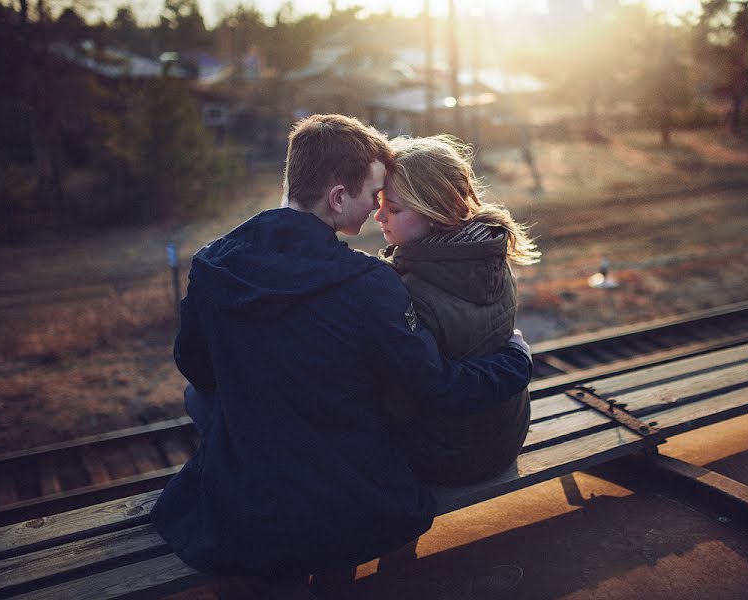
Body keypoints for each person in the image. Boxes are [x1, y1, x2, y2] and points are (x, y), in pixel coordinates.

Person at [150, 115, 533, 586]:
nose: (377, 209)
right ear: (337, 198)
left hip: (252, 486)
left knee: (203, 400)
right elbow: (430, 385)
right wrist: (516, 360)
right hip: (349, 491)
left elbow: (194, 368)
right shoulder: (368, 282)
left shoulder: (211, 263)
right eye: (374, 195)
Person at [374, 135, 541, 485]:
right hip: (507, 436)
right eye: (380, 204)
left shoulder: (407, 292)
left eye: (395, 209)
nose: (379, 216)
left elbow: (403, 402)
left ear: (436, 210)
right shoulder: (491, 253)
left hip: (447, 457)